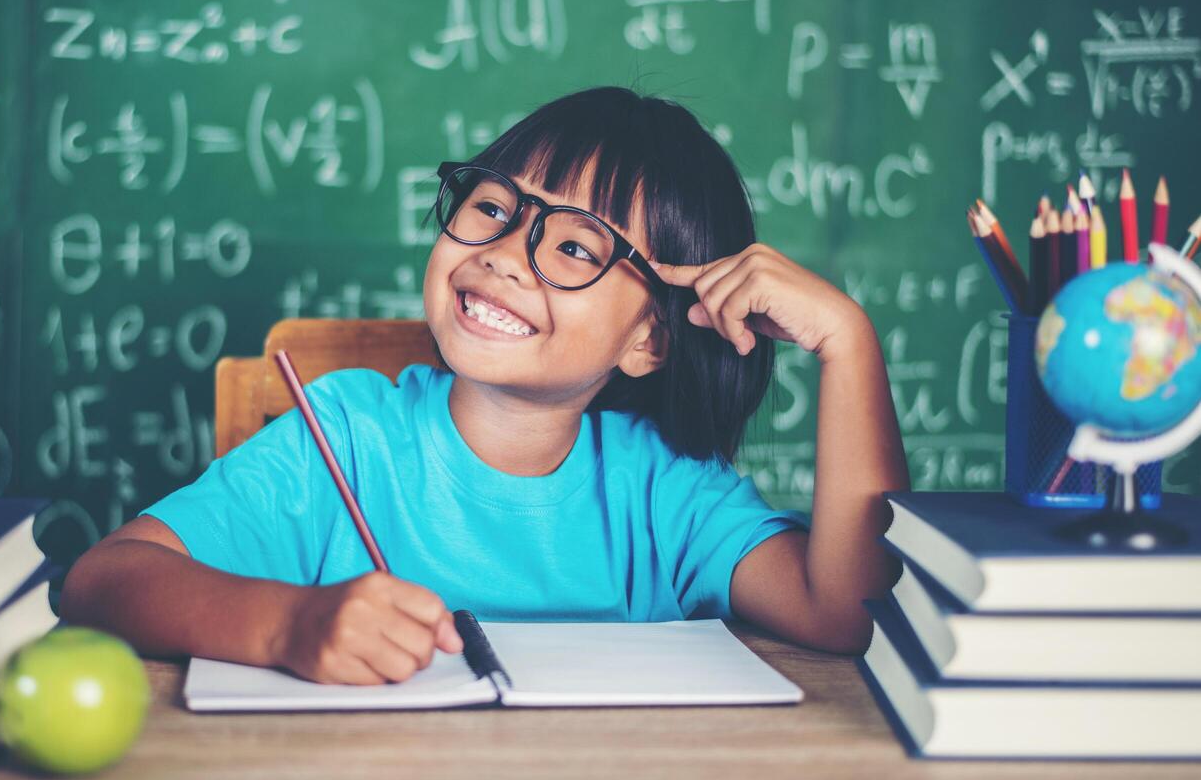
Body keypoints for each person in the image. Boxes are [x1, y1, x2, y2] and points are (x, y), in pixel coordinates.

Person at [60, 86, 908, 685]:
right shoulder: (348, 436)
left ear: (649, 339)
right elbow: (103, 579)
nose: (503, 253)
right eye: (494, 208)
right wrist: (286, 625)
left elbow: (843, 613)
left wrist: (849, 345)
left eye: (575, 247)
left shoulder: (666, 489)